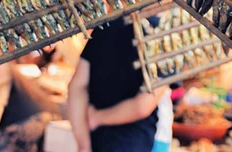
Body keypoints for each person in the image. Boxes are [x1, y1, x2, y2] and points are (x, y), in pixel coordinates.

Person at [68, 17, 166, 152]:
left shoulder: (105, 26)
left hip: (96, 141)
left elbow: (77, 86)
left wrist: (83, 145)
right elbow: (142, 106)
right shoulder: (165, 36)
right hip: (132, 144)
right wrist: (97, 118)